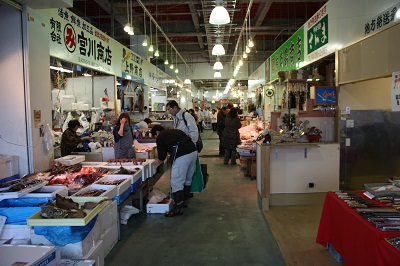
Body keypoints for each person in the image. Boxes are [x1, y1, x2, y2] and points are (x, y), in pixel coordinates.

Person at [151, 125, 198, 217]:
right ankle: (184, 202)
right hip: (193, 152)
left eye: (155, 136)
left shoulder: (160, 136)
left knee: (176, 181)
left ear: (156, 133)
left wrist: (153, 164)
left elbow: (161, 157)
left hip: (182, 155)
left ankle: (177, 209)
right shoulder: (175, 131)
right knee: (187, 179)